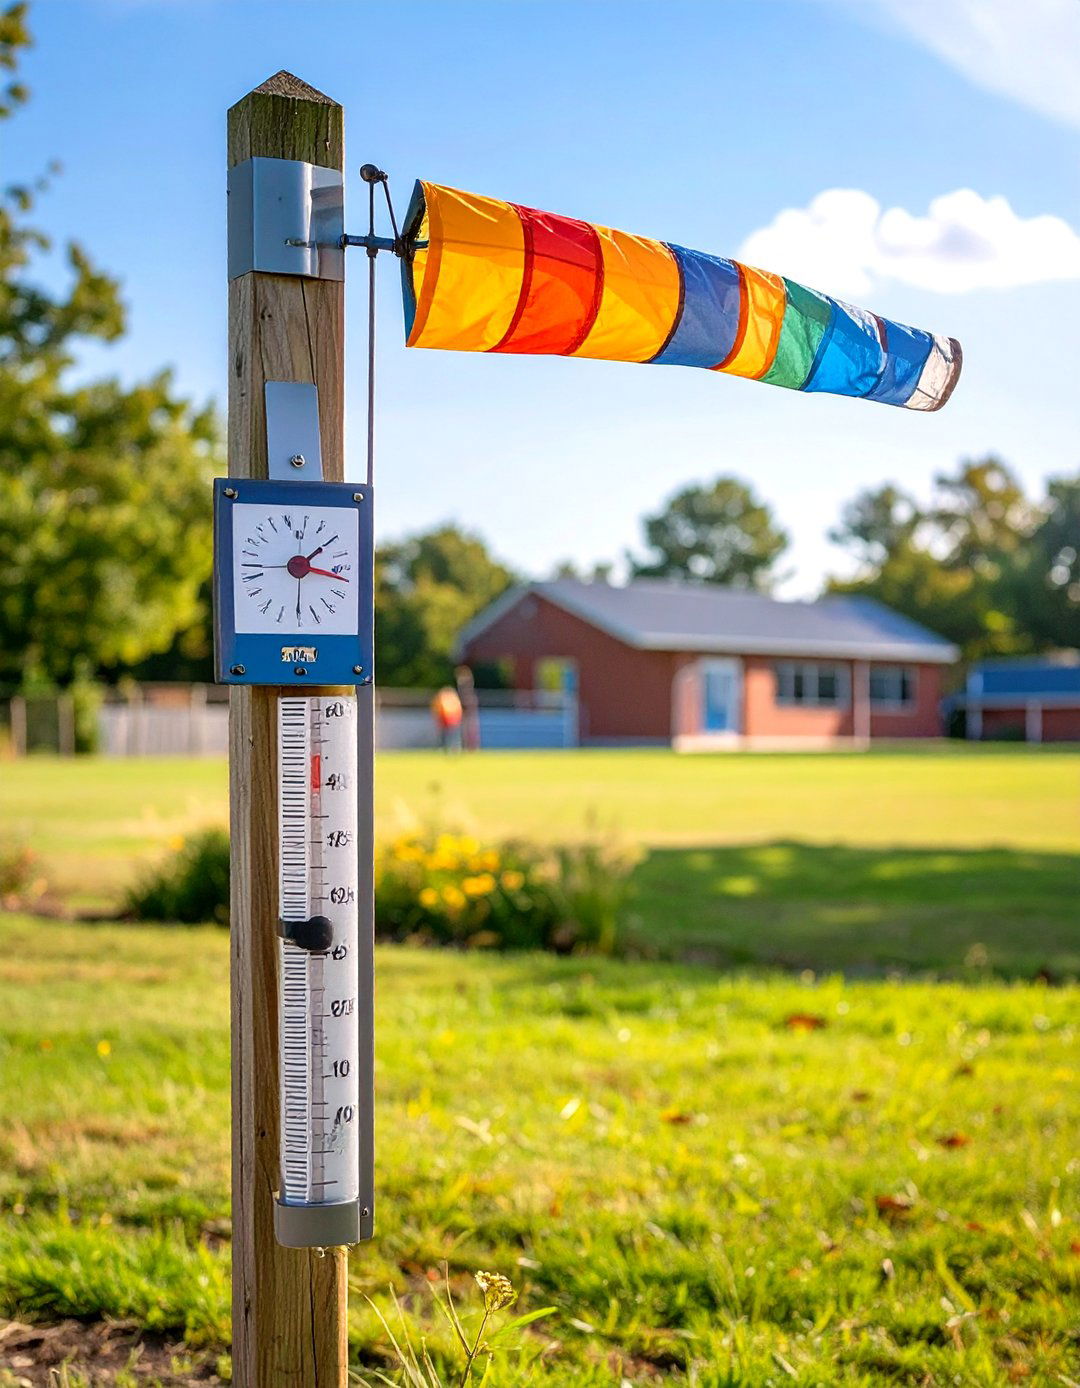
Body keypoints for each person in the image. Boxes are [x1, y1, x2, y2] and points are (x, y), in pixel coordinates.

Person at [430, 685, 463, 752]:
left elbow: (457, 711)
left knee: (453, 736)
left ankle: (454, 748)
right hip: (445, 722)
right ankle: (445, 748)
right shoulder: (444, 700)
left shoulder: (451, 701)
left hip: (452, 722)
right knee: (445, 736)